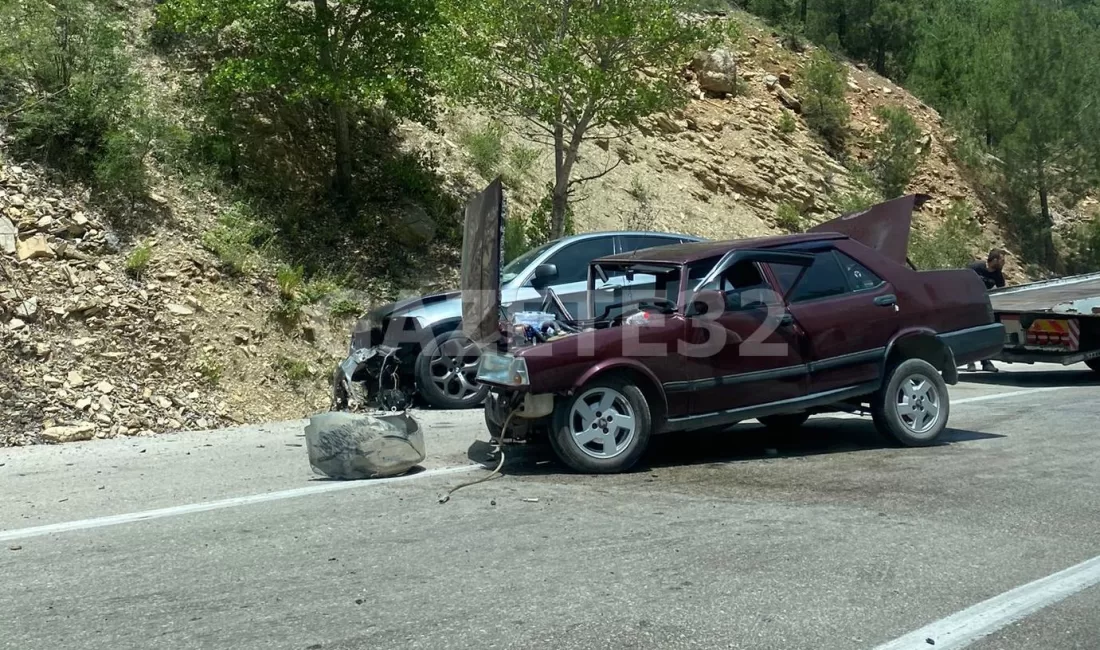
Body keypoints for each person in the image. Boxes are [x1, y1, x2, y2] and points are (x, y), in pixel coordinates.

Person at [965, 249, 1007, 372]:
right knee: (970, 333)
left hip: (984, 307)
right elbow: (962, 282)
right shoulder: (975, 268)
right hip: (969, 305)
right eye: (1002, 260)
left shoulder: (998, 275)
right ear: (994, 260)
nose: (1004, 263)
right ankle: (970, 362)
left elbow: (1002, 292)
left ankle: (986, 362)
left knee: (984, 334)